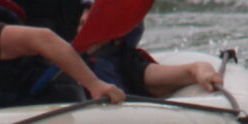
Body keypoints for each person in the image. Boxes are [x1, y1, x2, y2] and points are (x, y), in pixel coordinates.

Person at [86, 23, 223, 98]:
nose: (82, 31)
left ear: (117, 39)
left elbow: (194, 69)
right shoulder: (71, 61)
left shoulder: (128, 66)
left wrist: (205, 74)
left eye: (91, 25)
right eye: (80, 24)